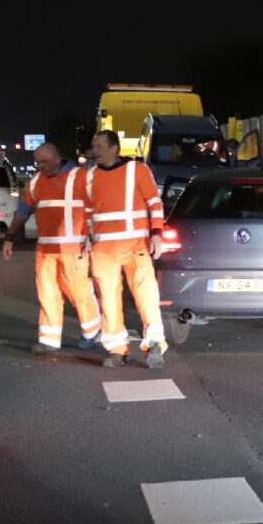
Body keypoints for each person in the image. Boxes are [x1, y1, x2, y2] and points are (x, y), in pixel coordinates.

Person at [1, 142, 102, 355]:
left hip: (73, 249)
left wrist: (95, 237)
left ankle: (92, 330)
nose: (40, 166)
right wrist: (10, 237)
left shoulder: (81, 177)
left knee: (79, 291)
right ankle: (48, 339)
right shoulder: (36, 182)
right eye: (38, 162)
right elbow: (22, 211)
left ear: (57, 159)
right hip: (45, 250)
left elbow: (99, 207)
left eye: (44, 162)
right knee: (47, 294)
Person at [83, 129, 168, 369]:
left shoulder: (137, 170)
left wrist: (156, 234)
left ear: (114, 148)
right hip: (103, 249)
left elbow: (154, 203)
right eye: (94, 146)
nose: (95, 151)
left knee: (146, 293)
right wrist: (85, 238)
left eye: (99, 146)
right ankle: (118, 350)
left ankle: (154, 344)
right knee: (108, 300)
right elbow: (86, 211)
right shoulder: (89, 177)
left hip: (136, 245)